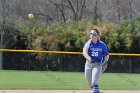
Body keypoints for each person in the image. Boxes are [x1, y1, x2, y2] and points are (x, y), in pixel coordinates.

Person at [83, 28, 109, 93]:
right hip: (88, 65)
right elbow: (84, 52)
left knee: (94, 81)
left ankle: (95, 91)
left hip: (97, 64)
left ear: (97, 35)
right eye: (90, 33)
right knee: (90, 84)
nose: (92, 35)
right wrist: (88, 57)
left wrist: (105, 63)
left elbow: (106, 55)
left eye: (94, 34)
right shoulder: (88, 43)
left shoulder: (102, 44)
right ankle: (97, 91)